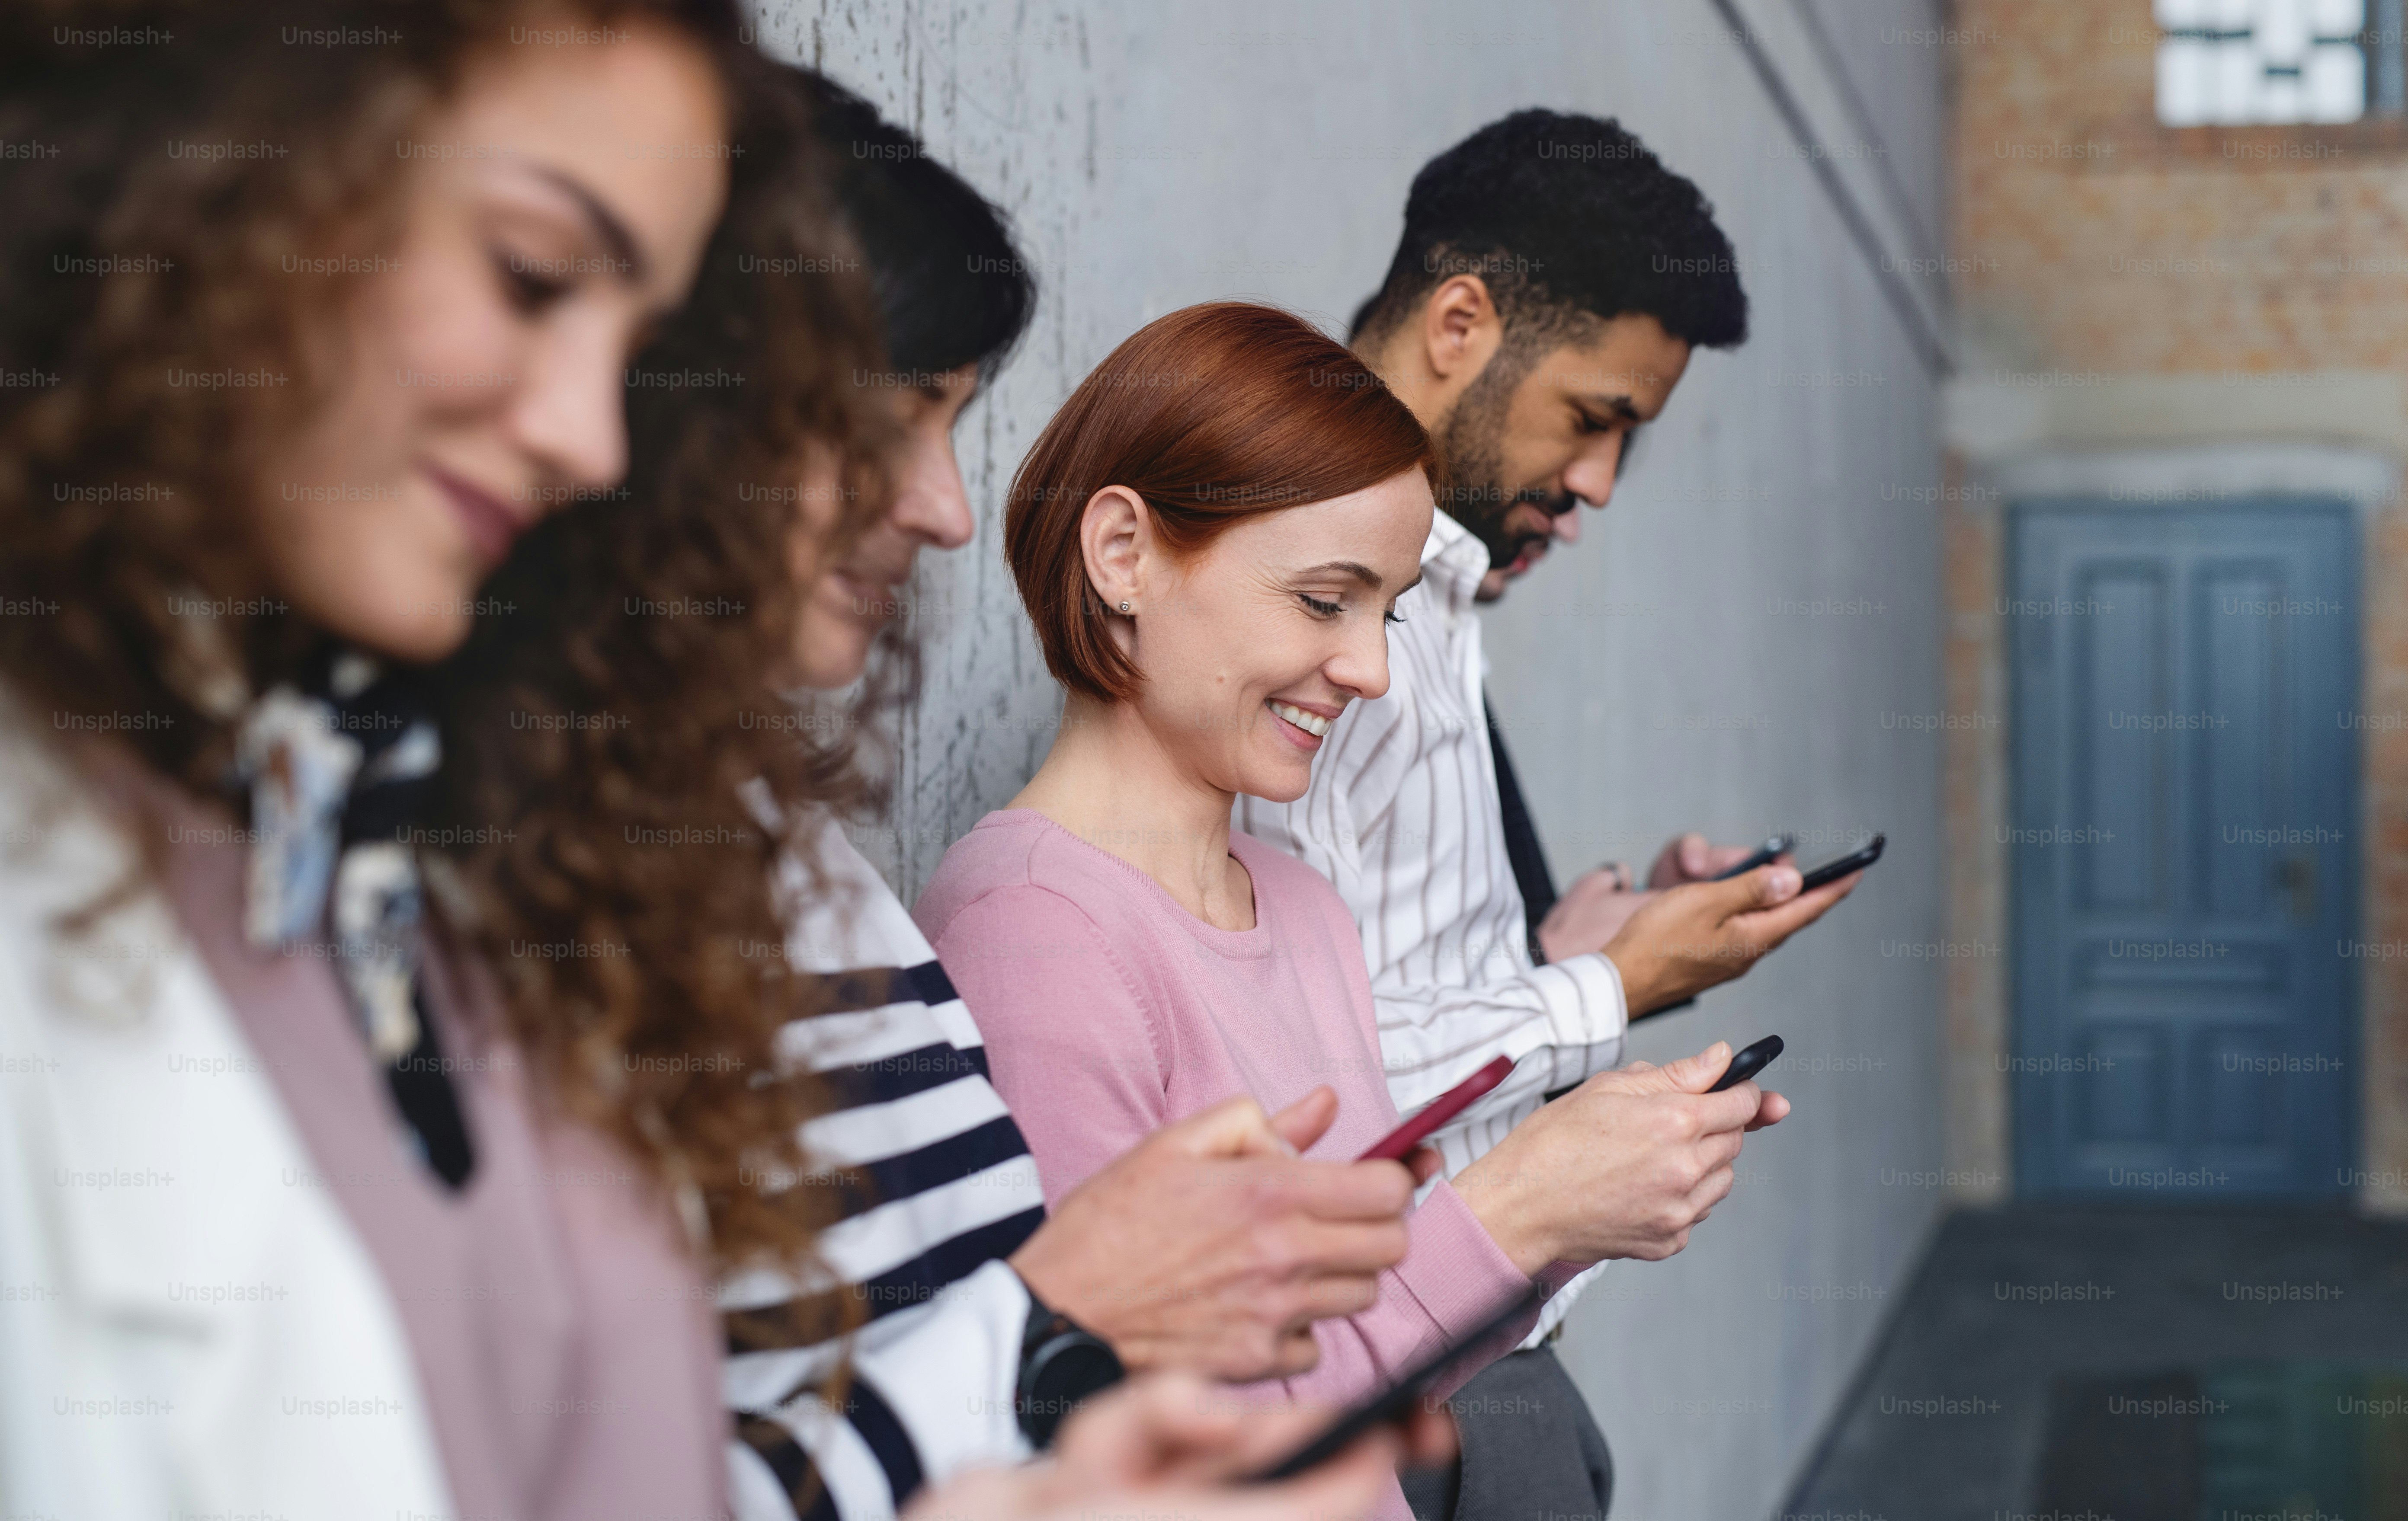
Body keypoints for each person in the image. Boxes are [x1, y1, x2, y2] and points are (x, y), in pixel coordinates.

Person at [438, 80, 1439, 1521]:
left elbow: (986, 1407)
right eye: (892, 421)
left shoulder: (786, 864)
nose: (943, 507)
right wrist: (1064, 1310)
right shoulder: (476, 898)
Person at [0, 3, 764, 1517]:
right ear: (219, 158)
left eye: (644, 347)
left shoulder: (419, 826)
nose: (594, 439)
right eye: (532, 276)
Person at [917, 301, 1788, 1521]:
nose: (1372, 671)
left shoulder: (1303, 904)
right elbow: (1140, 1455)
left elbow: (1374, 1349)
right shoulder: (1030, 934)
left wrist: (1585, 1202)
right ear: (1123, 553)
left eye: (1384, 613)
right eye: (1326, 601)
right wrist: (1519, 1203)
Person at [1233, 110, 1867, 1521]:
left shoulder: (1441, 591)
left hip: (1489, 1354)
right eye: (1594, 421)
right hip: (1401, 1385)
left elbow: (1397, 969)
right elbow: (1287, 1080)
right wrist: (1613, 983)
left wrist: (1597, 936)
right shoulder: (1308, 618)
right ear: (1461, 321)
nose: (1593, 491)